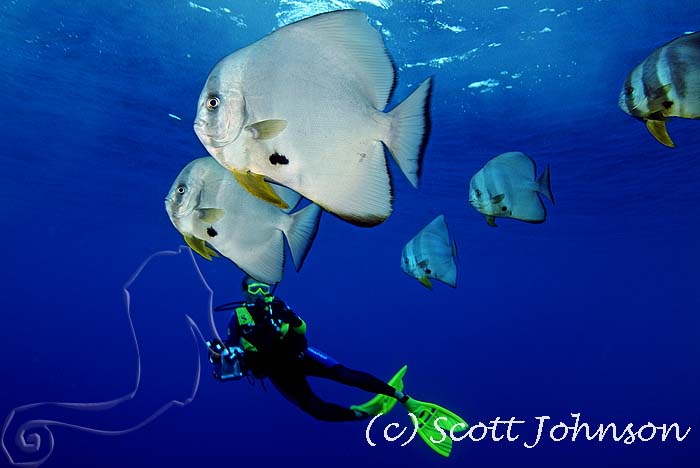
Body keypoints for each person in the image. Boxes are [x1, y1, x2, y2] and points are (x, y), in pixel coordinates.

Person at [207, 276, 467, 457]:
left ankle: (405, 399)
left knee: (345, 374)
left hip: (302, 356)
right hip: (279, 372)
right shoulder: (237, 317)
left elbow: (302, 330)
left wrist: (291, 317)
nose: (259, 294)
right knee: (317, 410)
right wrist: (221, 354)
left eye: (263, 288)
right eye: (254, 289)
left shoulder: (278, 306)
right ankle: (361, 414)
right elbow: (231, 345)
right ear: (244, 292)